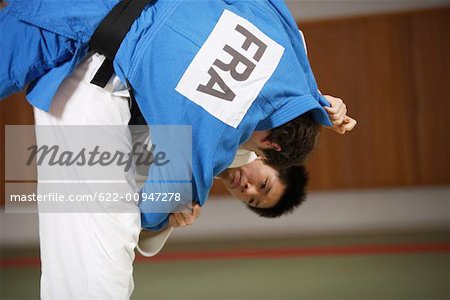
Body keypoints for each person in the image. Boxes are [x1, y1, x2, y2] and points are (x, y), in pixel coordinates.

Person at [0, 1, 356, 298]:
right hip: (78, 28)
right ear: (270, 147)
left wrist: (313, 98)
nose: (246, 188)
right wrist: (154, 223)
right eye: (262, 184)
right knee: (107, 229)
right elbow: (160, 200)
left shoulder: (286, 50)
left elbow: (281, 22)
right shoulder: (214, 140)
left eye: (251, 199)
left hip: (98, 16)